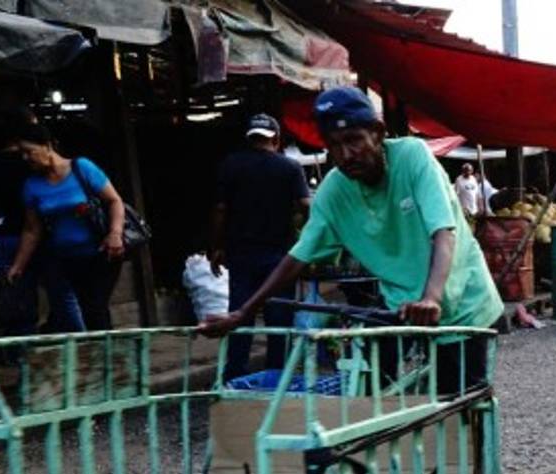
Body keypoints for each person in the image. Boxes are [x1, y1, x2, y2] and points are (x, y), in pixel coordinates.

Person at [198, 87, 504, 395]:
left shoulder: (412, 157)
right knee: (364, 394)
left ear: (378, 132)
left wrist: (432, 297)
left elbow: (443, 231)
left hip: (460, 303)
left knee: (459, 412)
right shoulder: (334, 191)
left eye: (354, 140)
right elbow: (297, 258)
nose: (345, 155)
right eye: (334, 145)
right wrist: (243, 313)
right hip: (401, 306)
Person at [210, 113, 312, 381]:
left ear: (250, 138)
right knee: (279, 318)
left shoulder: (231, 165)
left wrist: (217, 246)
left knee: (240, 315)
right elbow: (306, 206)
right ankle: (277, 377)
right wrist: (310, 246)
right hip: (280, 256)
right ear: (276, 140)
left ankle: (233, 377)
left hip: (241, 254)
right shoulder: (290, 168)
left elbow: (221, 210)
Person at [7, 124, 125, 332]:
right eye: (22, 154)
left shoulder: (82, 168)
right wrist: (18, 265)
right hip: (67, 258)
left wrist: (115, 233)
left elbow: (114, 201)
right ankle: (99, 353)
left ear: (47, 145)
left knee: (94, 307)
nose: (26, 158)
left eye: (29, 151)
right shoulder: (32, 186)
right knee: (78, 308)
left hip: (101, 252)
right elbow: (32, 230)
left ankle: (104, 356)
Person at [0, 107, 48, 336]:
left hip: (9, 235)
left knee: (16, 293)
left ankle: (20, 352)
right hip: (45, 234)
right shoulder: (37, 164)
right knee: (60, 293)